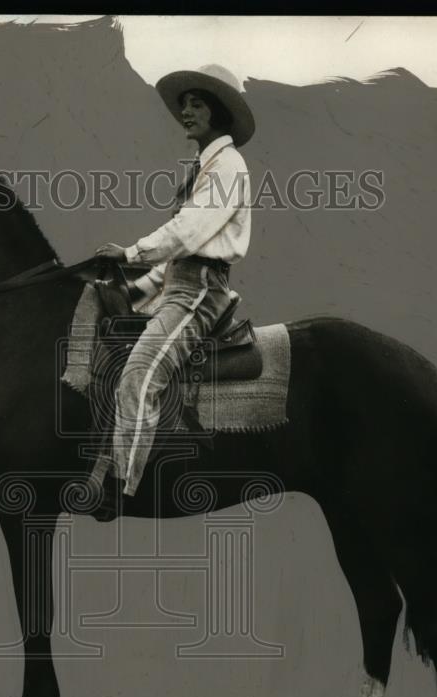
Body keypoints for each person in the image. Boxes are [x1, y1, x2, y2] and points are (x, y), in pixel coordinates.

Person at [94, 64, 255, 509]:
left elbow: (186, 234)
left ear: (219, 112)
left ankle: (121, 487)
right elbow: (175, 261)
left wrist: (128, 254)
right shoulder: (204, 166)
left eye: (197, 103)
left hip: (199, 293)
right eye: (184, 104)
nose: (186, 111)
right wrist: (134, 288)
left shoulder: (228, 167)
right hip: (179, 284)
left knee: (138, 377)